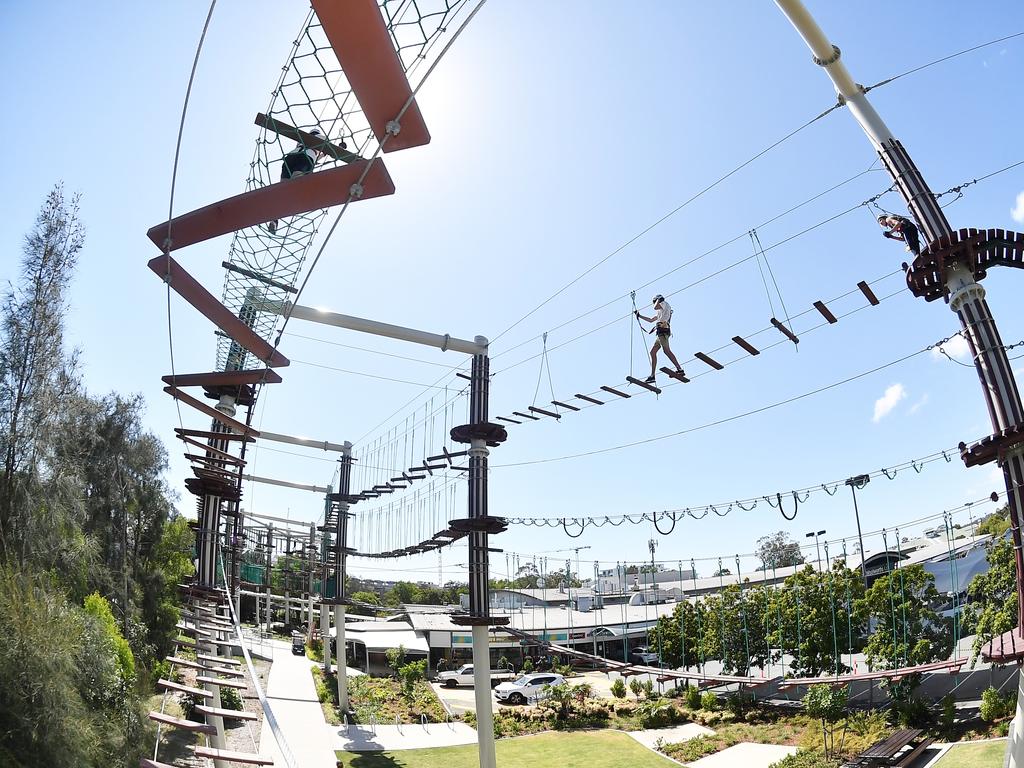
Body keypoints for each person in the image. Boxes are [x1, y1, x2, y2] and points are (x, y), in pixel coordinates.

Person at [267, 128, 327, 234]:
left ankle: (274, 219)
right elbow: (325, 150)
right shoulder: (321, 138)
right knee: (296, 182)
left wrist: (321, 156)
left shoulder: (301, 139)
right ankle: (292, 203)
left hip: (291, 157)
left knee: (283, 189)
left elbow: (315, 153)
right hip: (306, 157)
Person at [635, 294, 684, 384]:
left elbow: (655, 307)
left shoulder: (664, 303)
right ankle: (652, 375)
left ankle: (679, 369)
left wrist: (658, 300)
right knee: (653, 352)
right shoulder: (660, 310)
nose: (655, 305)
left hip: (663, 331)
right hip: (660, 333)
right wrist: (639, 315)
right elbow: (650, 320)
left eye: (655, 302)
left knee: (666, 351)